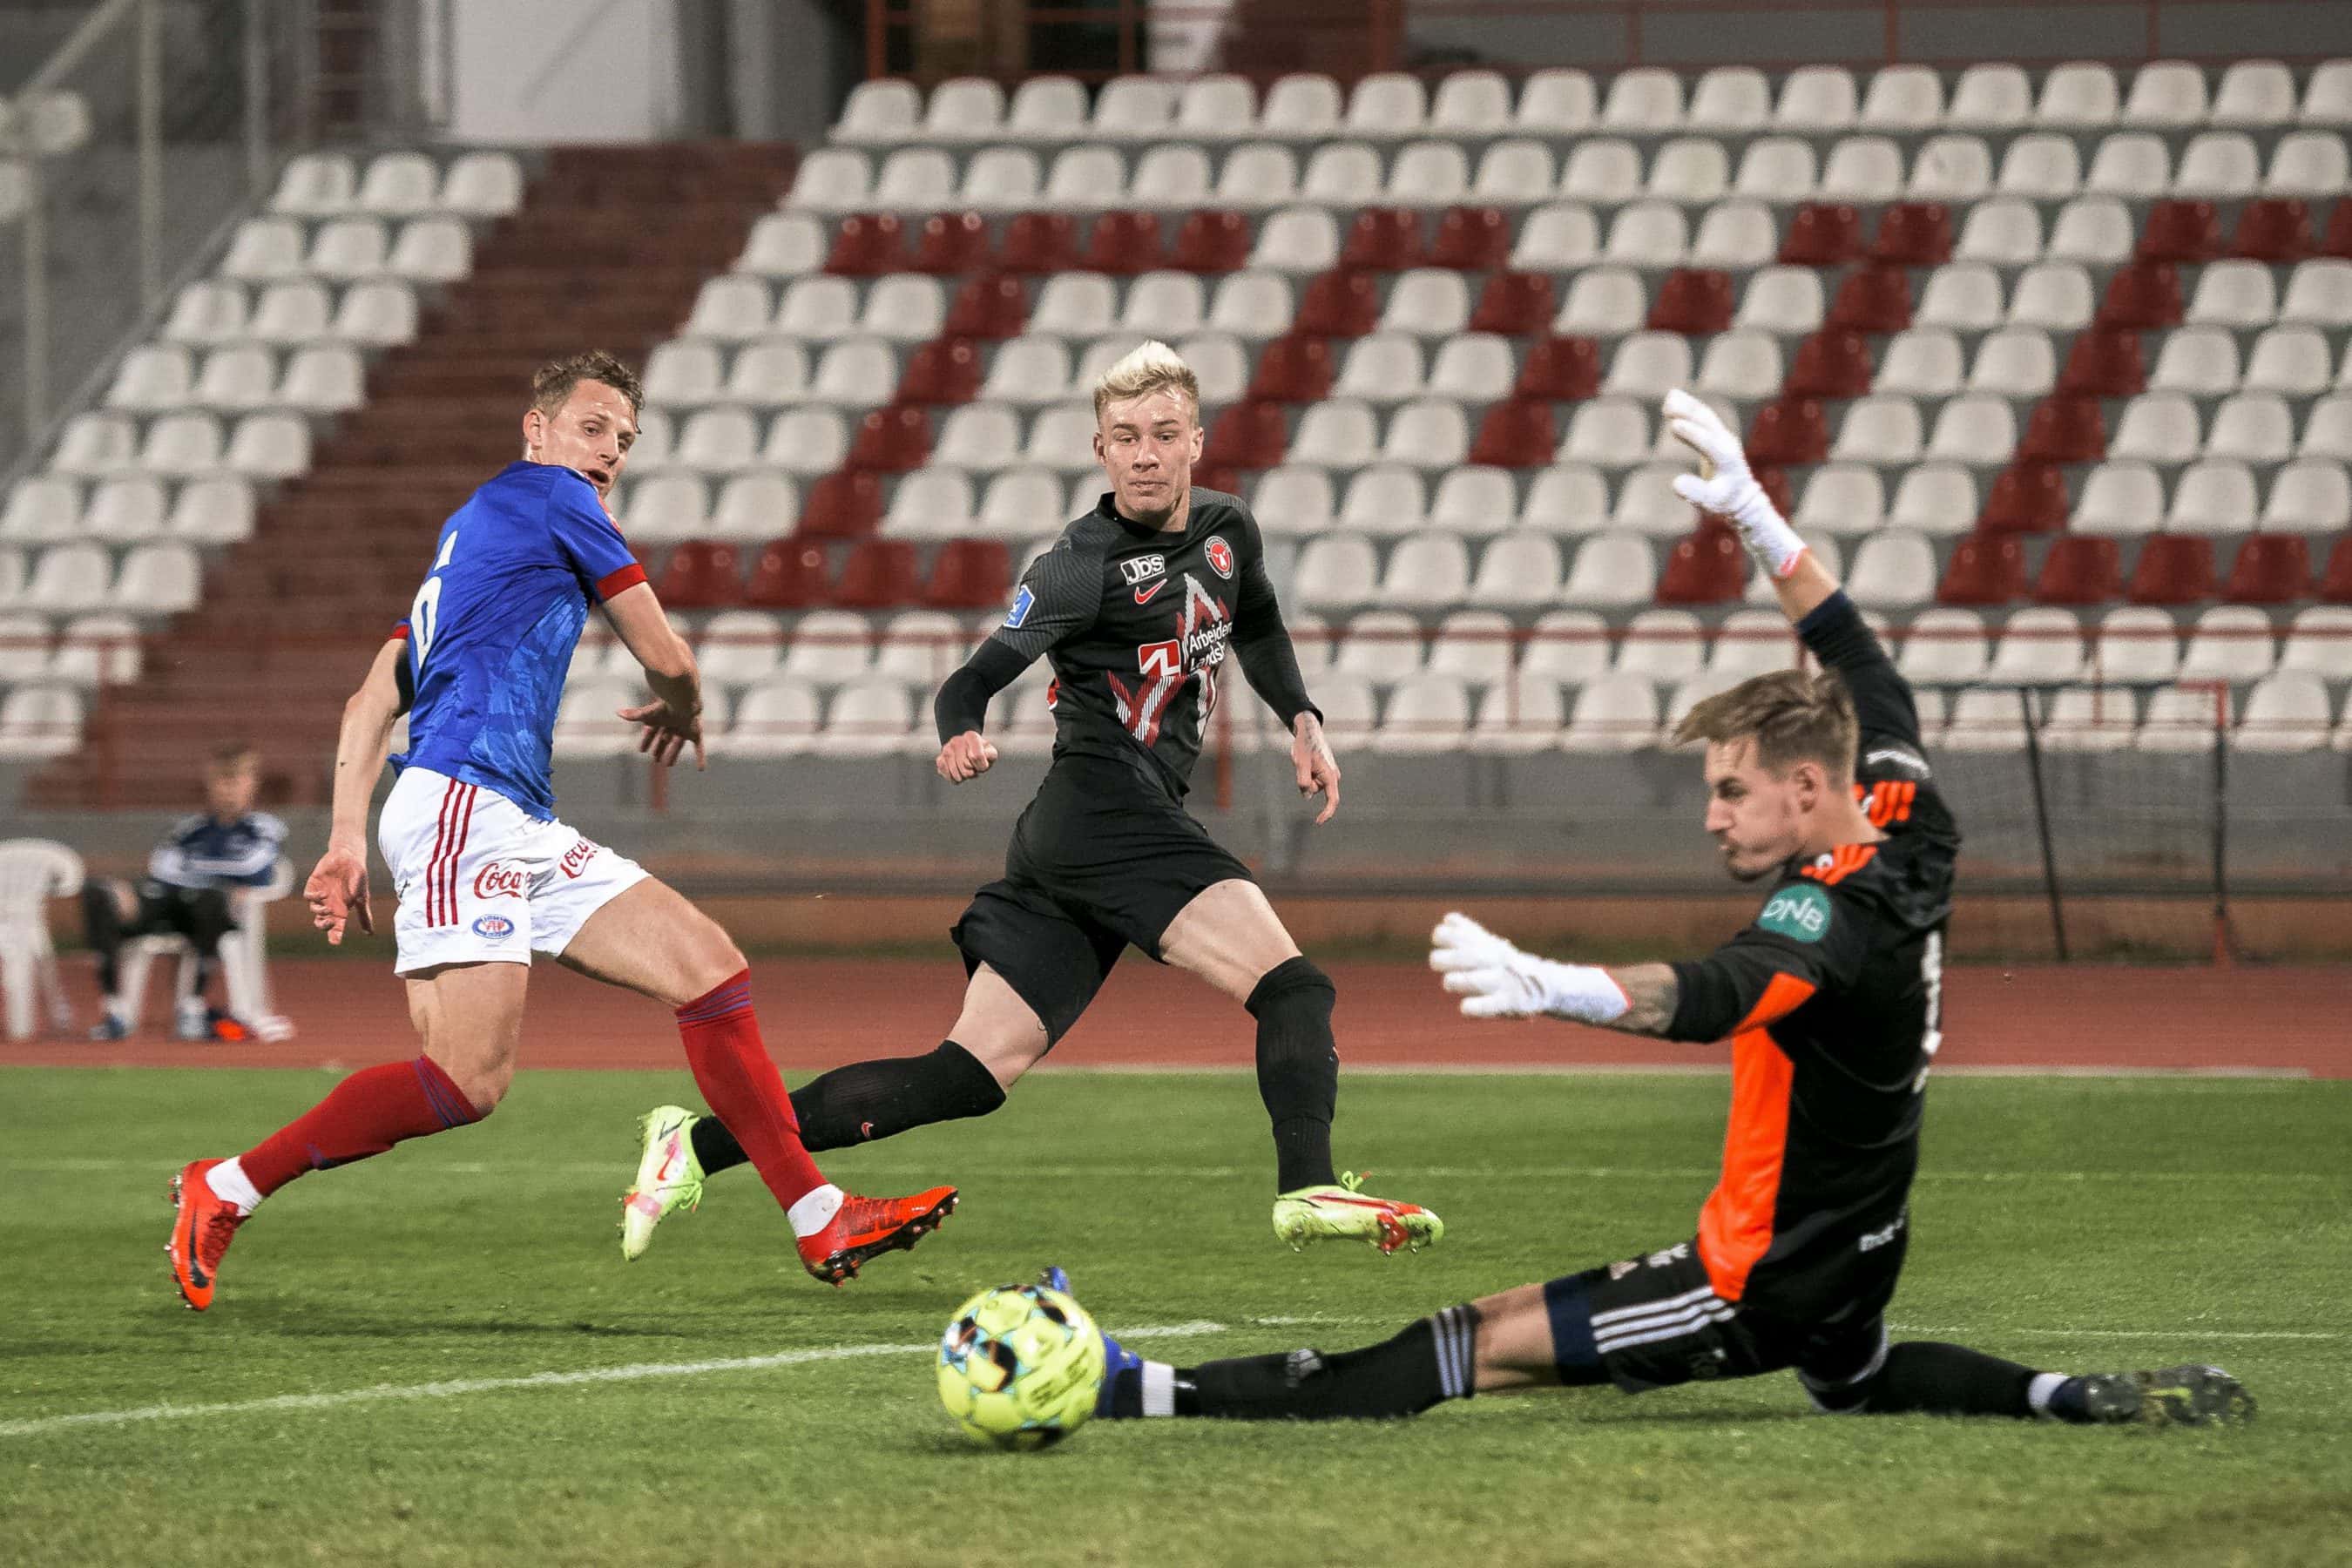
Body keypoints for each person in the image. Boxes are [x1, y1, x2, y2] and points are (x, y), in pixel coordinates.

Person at [1067, 390, 2254, 1431]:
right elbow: (1858, 656)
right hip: (1858, 1256)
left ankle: (1135, 1390)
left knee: (1462, 1345)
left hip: (1753, 1282)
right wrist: (1758, 519)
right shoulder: (1910, 818)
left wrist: (1551, 985)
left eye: (1732, 792)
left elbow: (1713, 996)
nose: (1713, 817)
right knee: (1854, 1380)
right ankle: (2068, 1398)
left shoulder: (1827, 920)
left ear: (1806, 789)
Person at [163, 352, 958, 1311]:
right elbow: (669, 657)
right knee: (467, 1082)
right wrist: (683, 706)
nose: (610, 451)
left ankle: (818, 1214)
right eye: (593, 427)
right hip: (465, 806)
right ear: (535, 431)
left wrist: (345, 839)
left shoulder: (474, 532)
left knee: (709, 971)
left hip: (497, 813)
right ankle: (227, 1186)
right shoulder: (553, 499)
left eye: (625, 440)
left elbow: (371, 698)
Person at [618, 341, 1440, 1261]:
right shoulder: (1078, 566)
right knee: (1295, 987)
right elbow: (969, 680)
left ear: (1196, 442)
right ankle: (1307, 1187)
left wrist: (1301, 716)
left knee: (964, 1077)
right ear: (1100, 448)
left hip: (1080, 837)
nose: (1144, 454)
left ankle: (695, 1144)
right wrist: (959, 731)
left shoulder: (1228, 528)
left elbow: (1256, 620)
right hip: (1103, 810)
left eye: (1163, 433)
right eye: (1125, 436)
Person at [85, 742, 287, 1043]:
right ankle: (116, 1010)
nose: (228, 790)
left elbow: (255, 868)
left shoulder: (263, 828)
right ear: (210, 785)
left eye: (236, 780)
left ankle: (192, 1007)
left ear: (252, 784)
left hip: (215, 914)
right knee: (99, 892)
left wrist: (194, 870)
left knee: (211, 898)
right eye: (221, 780)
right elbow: (161, 867)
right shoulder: (190, 829)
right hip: (171, 907)